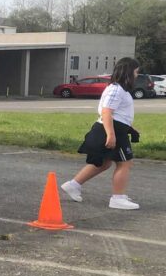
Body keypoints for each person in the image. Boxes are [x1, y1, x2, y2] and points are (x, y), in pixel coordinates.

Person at [61, 57, 142, 210]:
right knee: (125, 163)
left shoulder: (119, 89)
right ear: (128, 72)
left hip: (116, 128)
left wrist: (131, 128)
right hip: (112, 130)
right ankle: (117, 198)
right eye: (136, 72)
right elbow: (106, 112)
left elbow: (120, 113)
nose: (137, 75)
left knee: (104, 163)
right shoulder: (116, 89)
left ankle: (73, 185)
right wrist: (111, 135)